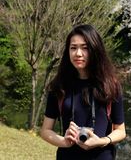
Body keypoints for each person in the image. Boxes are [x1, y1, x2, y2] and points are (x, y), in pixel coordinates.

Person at [41, 24, 126, 160]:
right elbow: (45, 131)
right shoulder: (59, 86)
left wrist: (101, 141)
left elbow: (121, 131)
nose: (78, 53)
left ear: (95, 50)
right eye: (73, 48)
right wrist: (64, 141)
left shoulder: (110, 86)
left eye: (85, 48)